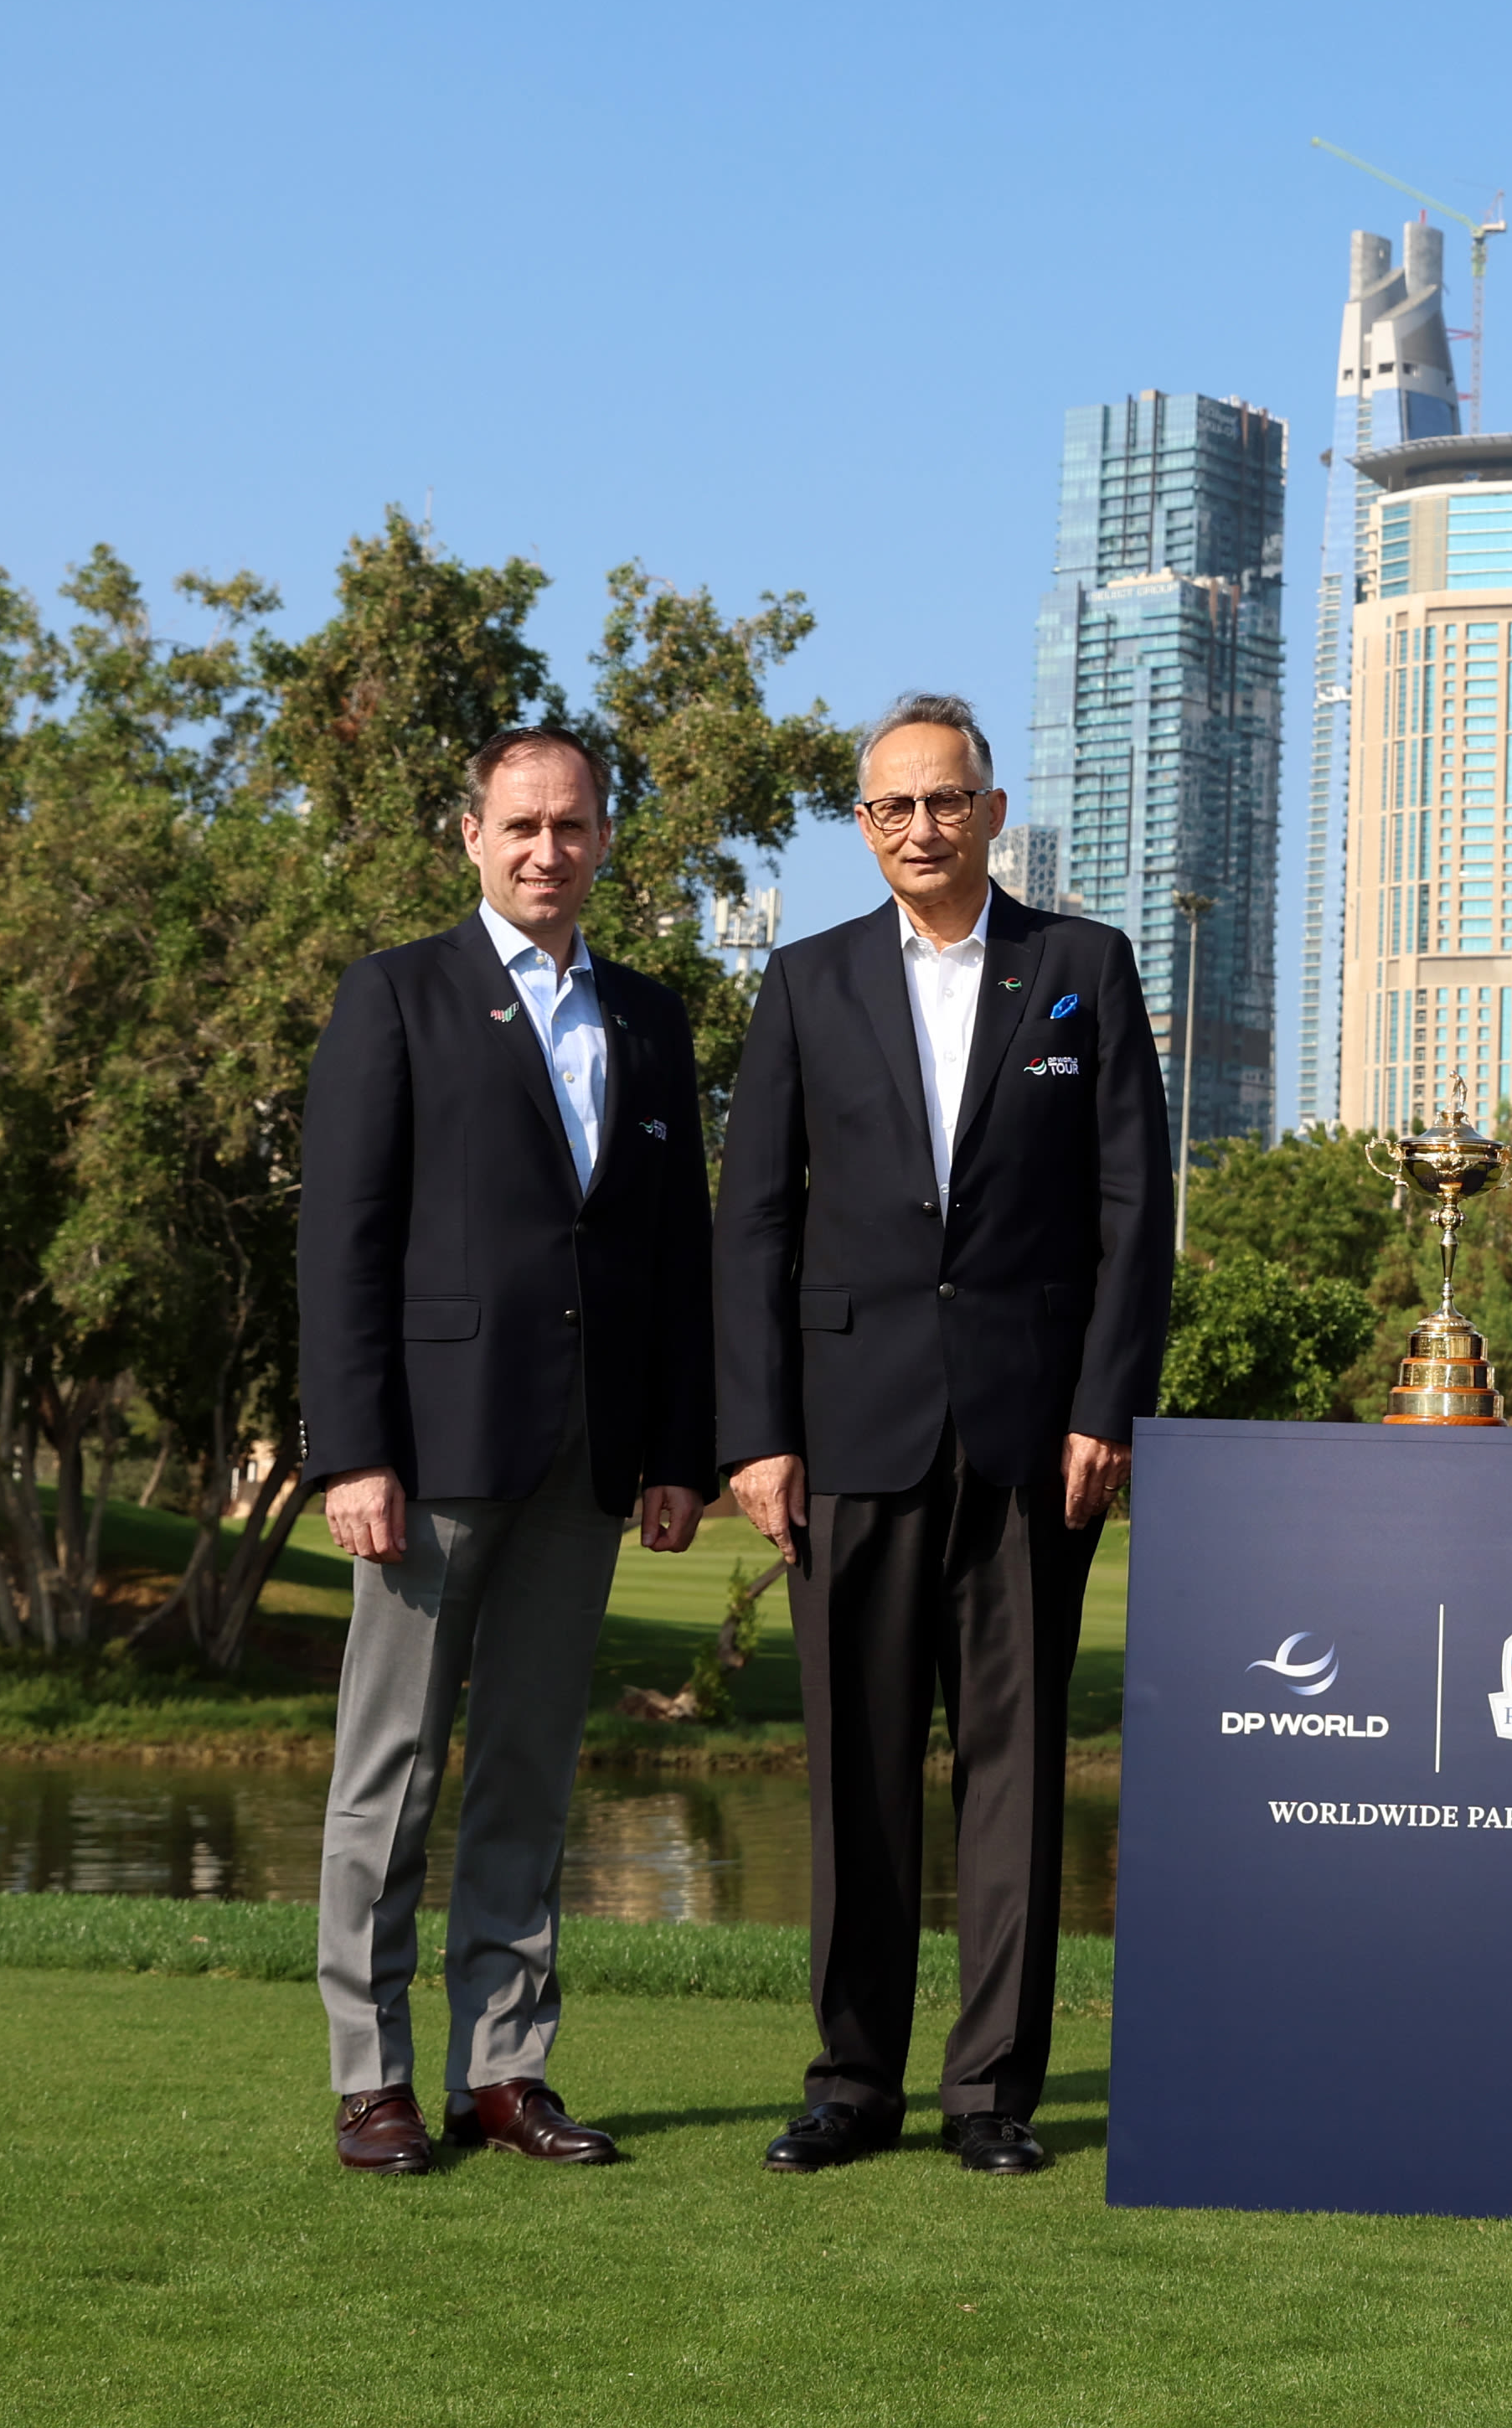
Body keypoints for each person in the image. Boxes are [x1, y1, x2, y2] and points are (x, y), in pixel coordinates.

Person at [717, 693, 1170, 2177]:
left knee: (1014, 1768)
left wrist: (1108, 1404)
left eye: (949, 799)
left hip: (1034, 1434)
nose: (924, 825)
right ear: (865, 825)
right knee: (854, 1769)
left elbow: (1132, 1213)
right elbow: (755, 1231)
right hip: (847, 1431)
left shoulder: (1080, 972)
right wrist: (758, 1434)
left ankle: (991, 2094)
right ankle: (851, 2082)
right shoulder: (804, 982)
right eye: (895, 806)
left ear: (992, 806)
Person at [299, 723, 718, 2176]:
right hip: (430, 1453)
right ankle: (373, 2083)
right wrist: (355, 1451)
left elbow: (673, 1255)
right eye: (521, 825)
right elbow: (343, 1243)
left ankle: (505, 2071)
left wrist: (680, 1444)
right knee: (391, 1773)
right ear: (470, 836)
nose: (549, 849)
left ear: (607, 840)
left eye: (576, 825)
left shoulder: (652, 1016)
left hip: (593, 1456)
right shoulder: (397, 995)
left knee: (531, 1770)